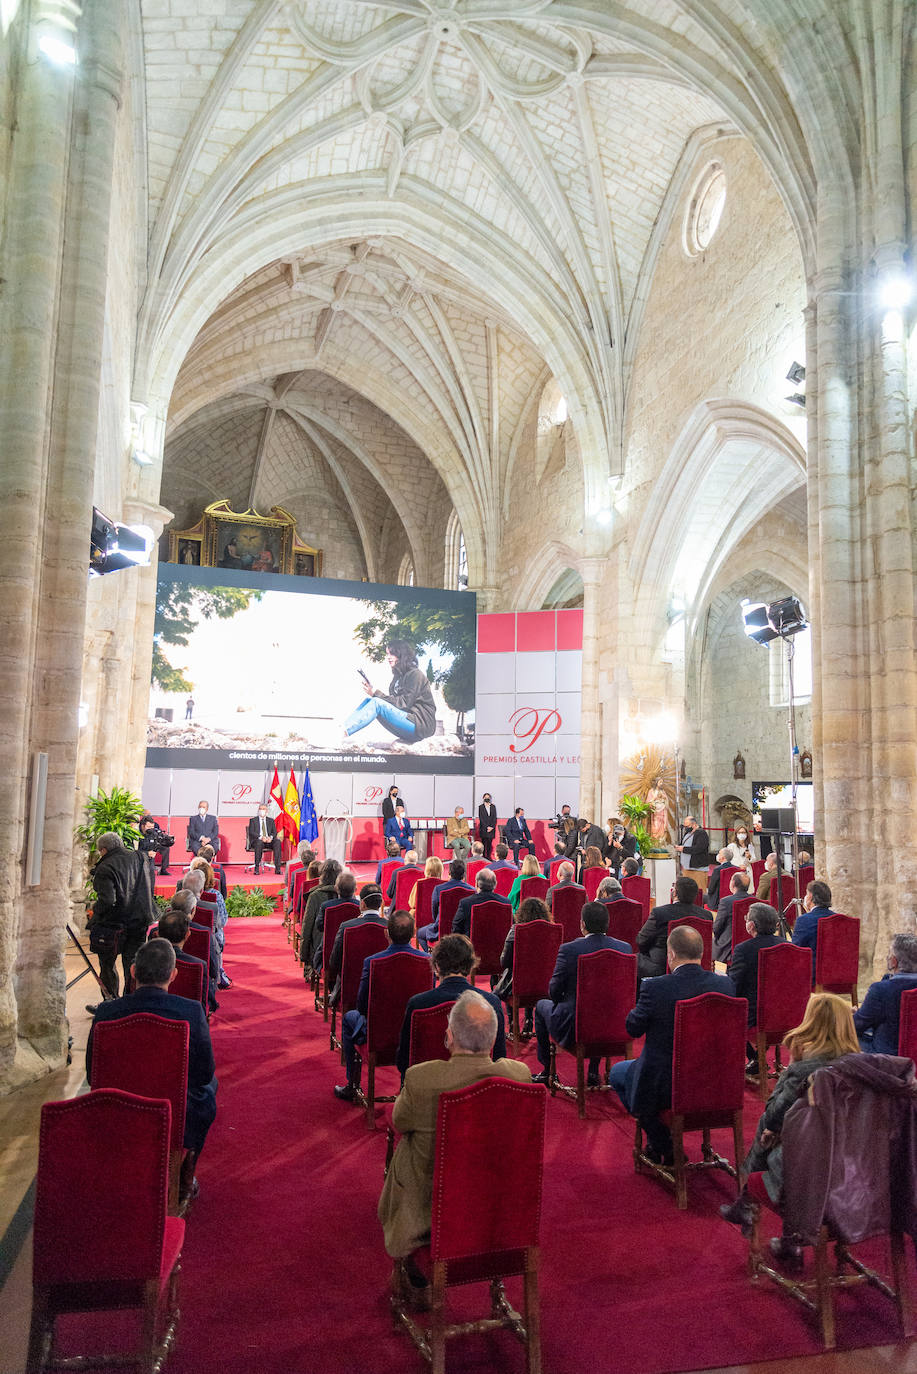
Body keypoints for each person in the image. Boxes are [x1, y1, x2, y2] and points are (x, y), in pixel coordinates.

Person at [377, 990, 531, 1286]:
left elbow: (397, 1122)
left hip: (429, 1215)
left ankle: (412, 1268)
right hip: (497, 1208)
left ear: (450, 1036)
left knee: (407, 1142)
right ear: (493, 1037)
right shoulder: (519, 1076)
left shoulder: (423, 1080)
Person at [719, 993, 860, 1252]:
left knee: (771, 1127)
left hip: (807, 1172)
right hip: (854, 1173)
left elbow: (774, 1112)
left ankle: (748, 1198)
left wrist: (790, 1071)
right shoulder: (862, 1068)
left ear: (810, 1024)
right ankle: (778, 1234)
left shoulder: (805, 1070)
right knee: (785, 1132)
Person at [87, 939, 218, 1201]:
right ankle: (185, 1171)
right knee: (208, 1089)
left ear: (133, 972)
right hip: (173, 1107)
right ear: (173, 975)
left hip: (116, 1105)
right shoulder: (191, 1011)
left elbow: (93, 1074)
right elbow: (204, 1072)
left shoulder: (105, 1012)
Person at [608, 925, 736, 1164]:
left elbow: (632, 1028)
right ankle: (662, 1144)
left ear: (672, 955)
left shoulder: (656, 987)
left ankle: (663, 1144)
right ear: (701, 952)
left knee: (618, 1073)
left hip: (667, 1084)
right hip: (716, 1081)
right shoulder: (725, 985)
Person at [334, 910, 430, 1102]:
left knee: (348, 1018)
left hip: (379, 1036)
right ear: (413, 933)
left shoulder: (373, 962)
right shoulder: (427, 961)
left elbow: (362, 1006)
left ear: (387, 933)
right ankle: (405, 1085)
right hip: (414, 1034)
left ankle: (352, 1085)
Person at [532, 902, 631, 1086]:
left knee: (540, 1006)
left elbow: (553, 990)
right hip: (614, 1023)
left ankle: (547, 1070)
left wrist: (562, 1000)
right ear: (607, 923)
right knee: (601, 1007)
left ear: (582, 924)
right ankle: (593, 1071)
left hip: (575, 1025)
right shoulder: (624, 949)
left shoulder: (569, 950)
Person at [396, 934, 507, 1075]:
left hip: (429, 1084)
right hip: (477, 1085)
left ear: (437, 966)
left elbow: (404, 1062)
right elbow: (499, 1059)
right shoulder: (491, 1003)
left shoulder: (418, 1004)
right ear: (470, 965)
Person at [86, 831, 155, 1003]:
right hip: (139, 921)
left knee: (107, 965)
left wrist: (95, 911)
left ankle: (111, 1002)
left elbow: (108, 901)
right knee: (133, 964)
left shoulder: (105, 867)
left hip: (113, 925)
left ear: (103, 850)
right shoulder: (141, 858)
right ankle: (131, 1003)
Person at [344, 640, 436, 744]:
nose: (388, 657)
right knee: (369, 701)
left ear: (401, 654)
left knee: (376, 703)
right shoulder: (397, 678)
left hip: (420, 724)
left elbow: (403, 704)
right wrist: (373, 694)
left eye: (392, 653)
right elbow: (393, 703)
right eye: (387, 654)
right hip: (407, 722)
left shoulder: (415, 675)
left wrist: (376, 693)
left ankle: (343, 732)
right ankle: (343, 727)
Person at [727, 902, 783, 1068]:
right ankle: (757, 1060)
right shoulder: (789, 946)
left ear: (750, 925)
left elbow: (733, 986)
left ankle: (754, 1060)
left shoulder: (743, 950)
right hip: (787, 1016)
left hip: (755, 1018)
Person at [854, 932, 917, 1054]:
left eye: (889, 953)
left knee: (842, 1038)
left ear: (894, 961)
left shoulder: (882, 990)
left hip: (887, 1059)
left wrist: (849, 1016)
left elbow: (855, 1027)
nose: (887, 957)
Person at [496, 897, 551, 1035]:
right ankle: (529, 1019)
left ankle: (512, 1022)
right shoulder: (552, 931)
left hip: (518, 986)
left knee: (513, 974)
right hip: (545, 984)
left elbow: (504, 962)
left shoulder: (516, 930)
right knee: (530, 973)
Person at [635, 875, 707, 979]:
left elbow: (642, 940)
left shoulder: (659, 913)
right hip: (698, 965)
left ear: (674, 893)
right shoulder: (706, 916)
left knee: (635, 960)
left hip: (661, 966)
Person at [325, 887, 387, 1006]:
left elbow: (335, 960)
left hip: (351, 982)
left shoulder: (347, 926)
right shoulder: (389, 926)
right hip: (382, 983)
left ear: (362, 904)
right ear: (381, 903)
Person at [155, 907, 213, 1010]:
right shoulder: (199, 965)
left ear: (157, 934)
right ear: (187, 935)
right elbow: (206, 1002)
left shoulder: (141, 962)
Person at [417, 859, 471, 951]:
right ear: (463, 874)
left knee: (419, 933)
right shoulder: (471, 890)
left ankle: (431, 957)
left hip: (440, 930)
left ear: (449, 872)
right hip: (463, 931)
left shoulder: (439, 889)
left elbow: (434, 912)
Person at [301, 859, 343, 975]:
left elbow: (307, 926)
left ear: (322, 876)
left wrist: (304, 956)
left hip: (320, 949)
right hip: (343, 949)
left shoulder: (315, 896)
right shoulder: (347, 896)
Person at [311, 870, 359, 972]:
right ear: (355, 889)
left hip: (328, 950)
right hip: (354, 952)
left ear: (336, 888)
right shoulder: (360, 906)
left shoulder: (327, 906)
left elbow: (319, 926)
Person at [791, 879, 836, 974]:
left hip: (814, 974)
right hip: (839, 973)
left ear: (810, 897)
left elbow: (796, 951)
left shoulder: (804, 920)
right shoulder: (839, 919)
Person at [452, 868, 511, 937]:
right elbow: (511, 927)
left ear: (476, 884)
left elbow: (456, 928)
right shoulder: (505, 902)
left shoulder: (466, 903)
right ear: (495, 884)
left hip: (471, 946)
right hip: (501, 946)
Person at [712, 869, 751, 964]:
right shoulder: (755, 900)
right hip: (750, 942)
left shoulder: (726, 901)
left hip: (729, 946)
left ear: (732, 883)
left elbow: (717, 927)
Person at [247, 802, 281, 875]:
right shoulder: (253, 820)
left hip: (268, 842)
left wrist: (270, 838)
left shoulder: (271, 820)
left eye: (264, 809)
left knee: (277, 842)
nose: (262, 810)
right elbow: (251, 832)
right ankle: (256, 868)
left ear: (267, 811)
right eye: (260, 809)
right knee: (259, 843)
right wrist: (261, 837)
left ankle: (278, 868)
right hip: (257, 841)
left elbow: (274, 832)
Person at [137, 812, 174, 879]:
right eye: (149, 827)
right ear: (143, 826)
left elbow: (162, 838)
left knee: (151, 876)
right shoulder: (137, 834)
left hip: (151, 855)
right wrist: (147, 853)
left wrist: (170, 841)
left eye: (152, 827)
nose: (151, 829)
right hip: (140, 858)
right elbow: (134, 851)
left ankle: (163, 870)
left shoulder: (154, 832)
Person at [478, 793, 498, 860]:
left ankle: (488, 857)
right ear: (483, 798)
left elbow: (494, 818)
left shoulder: (493, 806)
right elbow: (481, 819)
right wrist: (487, 827)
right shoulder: (481, 807)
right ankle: (483, 857)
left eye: (488, 797)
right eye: (485, 797)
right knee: (483, 843)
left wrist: (491, 827)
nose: (487, 798)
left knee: (489, 843)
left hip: (491, 829)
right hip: (484, 828)